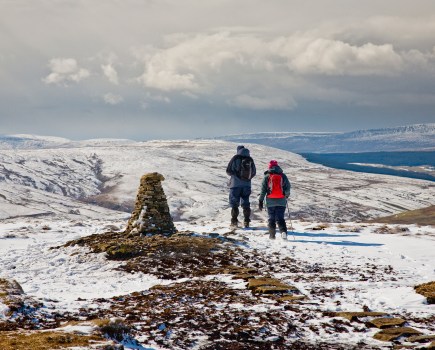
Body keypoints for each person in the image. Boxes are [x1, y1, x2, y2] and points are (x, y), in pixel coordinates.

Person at [258, 160, 291, 239]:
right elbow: (288, 187)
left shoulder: (267, 176)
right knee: (280, 218)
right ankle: (283, 232)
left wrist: (260, 201)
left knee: (271, 218)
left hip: (270, 201)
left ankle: (272, 235)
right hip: (281, 200)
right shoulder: (283, 176)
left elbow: (263, 190)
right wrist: (286, 195)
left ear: (269, 167)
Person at [226, 145, 256, 228]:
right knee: (246, 203)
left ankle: (234, 221)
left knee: (234, 204)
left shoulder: (235, 158)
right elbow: (253, 172)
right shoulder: (250, 159)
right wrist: (246, 179)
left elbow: (228, 171)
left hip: (235, 185)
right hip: (247, 185)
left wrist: (235, 175)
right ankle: (246, 221)